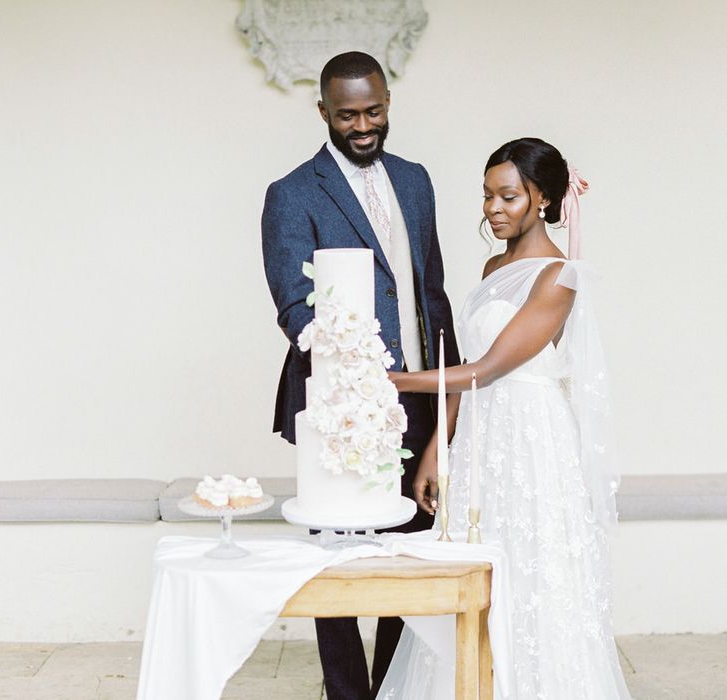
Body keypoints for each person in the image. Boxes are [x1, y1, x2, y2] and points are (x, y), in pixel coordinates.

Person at [380, 138, 633, 699]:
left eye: (509, 196)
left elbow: (488, 368)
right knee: (474, 572)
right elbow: (464, 372)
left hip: (533, 441)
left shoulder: (559, 277)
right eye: (487, 195)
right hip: (480, 439)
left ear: (542, 199)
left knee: (532, 574)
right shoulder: (495, 266)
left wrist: (391, 380)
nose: (493, 208)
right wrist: (434, 451)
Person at [261, 51, 460, 700]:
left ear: (388, 102)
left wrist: (449, 385)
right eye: (347, 114)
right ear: (323, 113)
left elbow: (431, 293)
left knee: (407, 556)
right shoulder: (291, 195)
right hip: (339, 408)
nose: (363, 124)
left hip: (419, 398)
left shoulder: (416, 179)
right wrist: (357, 384)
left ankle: (393, 688)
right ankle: (346, 694)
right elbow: (297, 311)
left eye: (373, 110)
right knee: (340, 563)